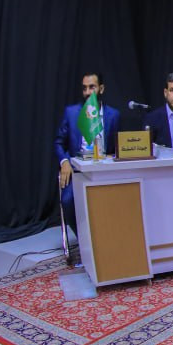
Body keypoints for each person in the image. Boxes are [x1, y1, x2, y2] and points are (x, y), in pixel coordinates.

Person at [55, 72, 120, 235]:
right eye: (84, 88)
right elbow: (58, 143)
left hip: (104, 170)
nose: (87, 92)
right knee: (68, 201)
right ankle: (84, 238)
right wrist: (64, 162)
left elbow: (117, 147)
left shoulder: (113, 115)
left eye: (92, 87)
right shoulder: (72, 112)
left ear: (101, 89)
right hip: (78, 171)